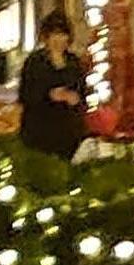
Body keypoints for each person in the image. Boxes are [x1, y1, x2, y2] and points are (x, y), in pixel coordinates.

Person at [17, 10, 90, 160]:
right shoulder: (35, 62)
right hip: (40, 128)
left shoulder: (73, 62)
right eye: (54, 34)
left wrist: (75, 98)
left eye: (62, 34)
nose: (58, 39)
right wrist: (49, 95)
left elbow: (82, 91)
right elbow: (25, 94)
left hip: (67, 130)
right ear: (46, 37)